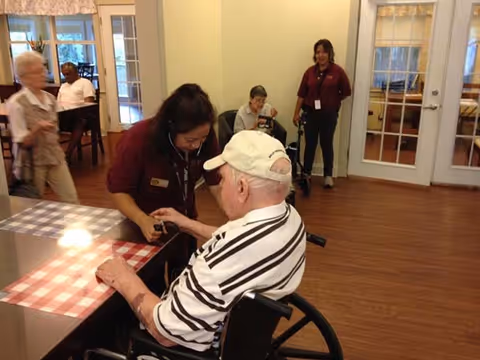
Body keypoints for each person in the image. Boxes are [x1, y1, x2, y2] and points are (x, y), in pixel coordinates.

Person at [97, 130, 306, 351]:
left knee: (109, 317)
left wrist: (124, 278)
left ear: (242, 188)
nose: (219, 185)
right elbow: (234, 240)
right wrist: (186, 223)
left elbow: (165, 332)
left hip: (186, 346)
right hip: (236, 324)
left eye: (223, 179)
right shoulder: (289, 218)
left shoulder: (217, 264)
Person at [107, 84, 221, 274]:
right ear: (170, 127)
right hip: (144, 224)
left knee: (185, 276)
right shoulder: (138, 139)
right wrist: (142, 220)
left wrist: (236, 218)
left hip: (185, 221)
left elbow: (215, 180)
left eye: (203, 139)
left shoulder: (203, 136)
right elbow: (119, 190)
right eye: (190, 140)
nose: (197, 145)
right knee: (151, 282)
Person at [7, 51, 78, 203]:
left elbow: (55, 133)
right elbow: (21, 142)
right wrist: (37, 129)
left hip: (55, 157)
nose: (43, 74)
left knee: (72, 201)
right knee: (32, 206)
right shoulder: (16, 103)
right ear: (24, 77)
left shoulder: (50, 99)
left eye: (43, 69)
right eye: (37, 71)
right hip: (32, 164)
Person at [293, 39, 351, 189]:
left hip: (328, 115)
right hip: (310, 114)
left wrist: (332, 102)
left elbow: (345, 92)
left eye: (324, 51)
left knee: (326, 144)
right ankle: (306, 174)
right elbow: (301, 95)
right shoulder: (309, 72)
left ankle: (328, 176)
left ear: (330, 53)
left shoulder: (338, 72)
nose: (321, 55)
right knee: (310, 144)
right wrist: (296, 113)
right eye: (318, 52)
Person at [57, 62, 96, 162]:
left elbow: (89, 104)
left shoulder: (85, 83)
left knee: (79, 123)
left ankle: (68, 155)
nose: (66, 76)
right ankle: (54, 155)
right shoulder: (63, 86)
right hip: (64, 114)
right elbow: (58, 103)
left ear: (75, 72)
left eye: (68, 74)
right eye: (64, 74)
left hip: (81, 115)